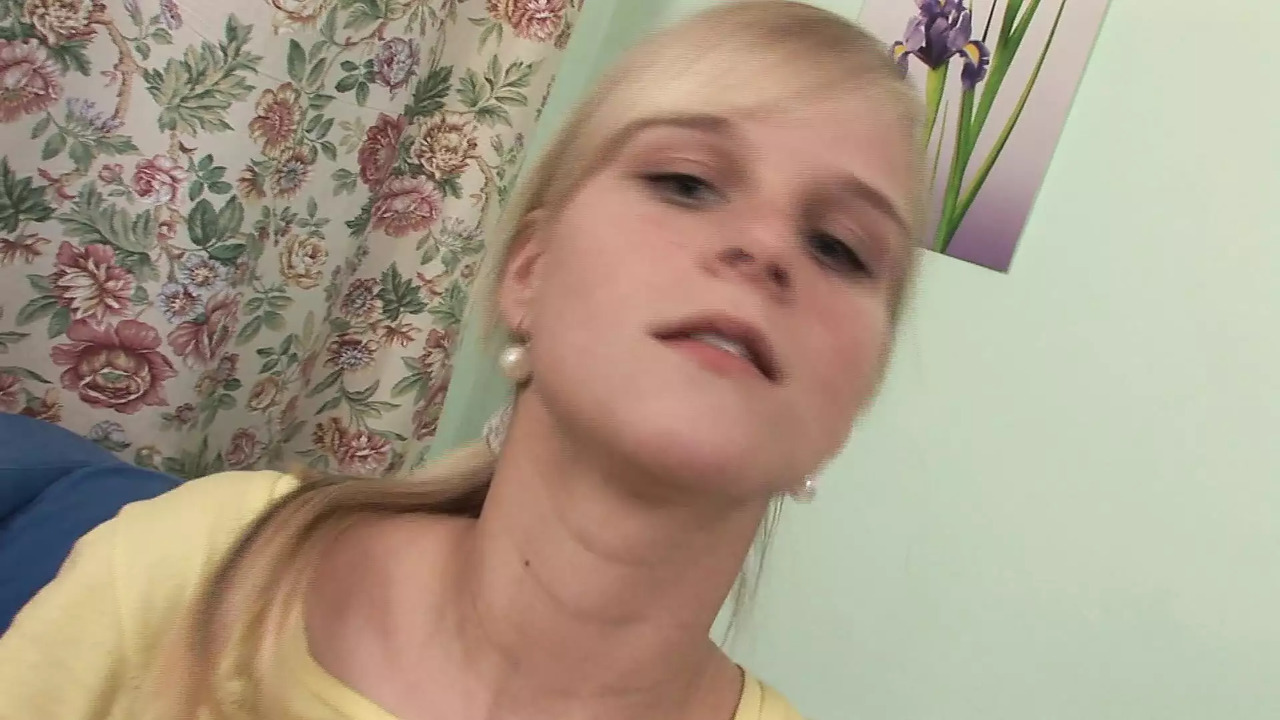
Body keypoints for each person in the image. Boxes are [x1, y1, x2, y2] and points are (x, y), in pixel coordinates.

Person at [0, 1, 923, 718]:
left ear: (850, 409)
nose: (765, 247)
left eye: (839, 247)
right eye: (685, 181)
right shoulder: (193, 568)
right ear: (529, 272)